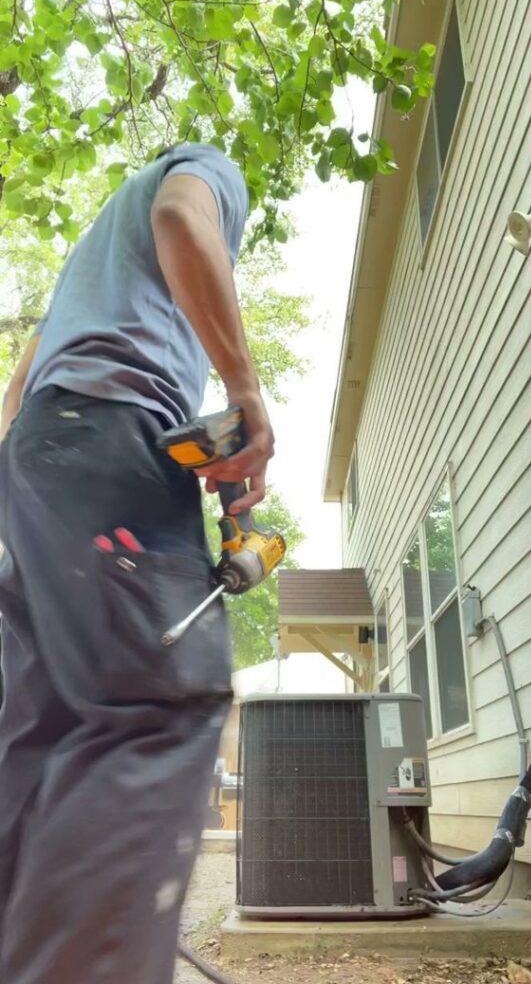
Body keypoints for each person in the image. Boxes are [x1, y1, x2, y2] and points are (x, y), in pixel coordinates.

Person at [0, 143, 274, 983]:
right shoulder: (205, 169)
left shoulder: (86, 269)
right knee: (154, 705)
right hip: (115, 442)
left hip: (41, 467)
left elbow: (19, 393)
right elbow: (179, 220)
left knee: (38, 733)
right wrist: (245, 390)